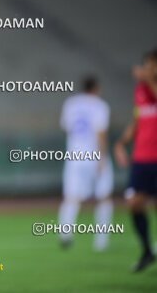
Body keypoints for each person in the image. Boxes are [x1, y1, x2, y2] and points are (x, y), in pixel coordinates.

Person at [58, 76, 113, 251]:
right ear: (96, 88)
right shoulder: (100, 105)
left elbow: (66, 127)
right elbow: (101, 132)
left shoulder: (71, 103)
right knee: (104, 197)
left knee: (71, 196)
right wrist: (102, 157)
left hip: (74, 155)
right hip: (94, 154)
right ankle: (101, 241)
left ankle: (65, 232)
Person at [115, 48, 157, 272]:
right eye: (148, 64)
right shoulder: (141, 90)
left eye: (153, 64)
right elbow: (138, 120)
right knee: (134, 204)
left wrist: (149, 80)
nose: (149, 68)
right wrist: (122, 143)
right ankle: (147, 251)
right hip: (142, 157)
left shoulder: (149, 85)